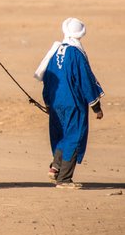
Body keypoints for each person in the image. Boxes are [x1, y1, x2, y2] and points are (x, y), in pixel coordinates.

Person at [34, 17, 104, 189]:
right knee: (74, 136)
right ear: (80, 34)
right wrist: (96, 106)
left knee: (61, 136)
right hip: (73, 103)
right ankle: (64, 180)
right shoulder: (76, 54)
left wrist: (48, 103)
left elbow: (48, 80)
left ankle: (56, 168)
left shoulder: (54, 52)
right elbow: (86, 81)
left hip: (56, 102)